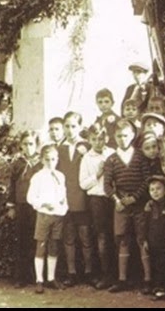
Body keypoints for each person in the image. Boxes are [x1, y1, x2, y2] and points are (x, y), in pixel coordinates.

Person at [104, 119, 151, 293]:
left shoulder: (139, 156)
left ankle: (147, 279)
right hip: (121, 205)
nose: (122, 139)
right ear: (114, 137)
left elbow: (147, 179)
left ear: (132, 135)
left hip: (138, 205)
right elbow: (107, 185)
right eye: (118, 136)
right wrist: (117, 200)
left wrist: (135, 197)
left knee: (142, 240)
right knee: (123, 241)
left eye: (125, 135)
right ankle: (122, 279)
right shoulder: (112, 159)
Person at [27, 145, 68, 294]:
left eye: (53, 159)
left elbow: (63, 196)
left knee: (54, 245)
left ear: (57, 159)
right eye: (47, 159)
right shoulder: (38, 177)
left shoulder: (60, 176)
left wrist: (62, 208)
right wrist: (43, 204)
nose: (51, 162)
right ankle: (39, 280)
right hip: (44, 215)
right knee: (41, 246)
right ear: (42, 160)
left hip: (58, 215)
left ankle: (51, 278)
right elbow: (30, 197)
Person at [58, 112, 93, 287]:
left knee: (85, 237)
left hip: (83, 200)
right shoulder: (58, 148)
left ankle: (89, 272)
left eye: (73, 126)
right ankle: (71, 273)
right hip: (65, 200)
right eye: (67, 126)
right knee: (68, 237)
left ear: (80, 127)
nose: (70, 130)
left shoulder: (87, 146)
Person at [79, 123, 116, 289]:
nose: (98, 142)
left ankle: (119, 275)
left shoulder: (112, 153)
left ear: (106, 138)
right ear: (89, 140)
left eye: (101, 138)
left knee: (117, 235)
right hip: (97, 200)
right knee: (102, 237)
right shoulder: (87, 158)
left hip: (113, 199)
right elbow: (83, 184)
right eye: (94, 139)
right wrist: (98, 174)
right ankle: (105, 274)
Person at [7, 131, 42, 288]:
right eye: (25, 144)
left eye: (31, 144)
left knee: (37, 240)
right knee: (21, 240)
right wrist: (11, 206)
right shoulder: (17, 164)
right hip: (22, 205)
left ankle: (37, 276)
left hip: (37, 207)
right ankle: (20, 277)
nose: (28, 147)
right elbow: (12, 186)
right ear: (21, 146)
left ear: (36, 145)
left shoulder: (41, 164)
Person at [142, 175, 165, 300]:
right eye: (152, 189)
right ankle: (158, 287)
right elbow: (144, 224)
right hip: (153, 241)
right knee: (156, 264)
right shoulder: (149, 206)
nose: (155, 192)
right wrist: (145, 240)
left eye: (158, 189)